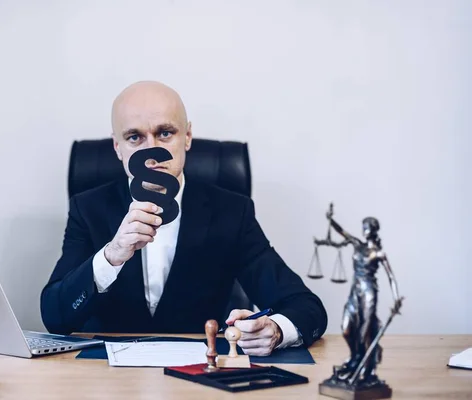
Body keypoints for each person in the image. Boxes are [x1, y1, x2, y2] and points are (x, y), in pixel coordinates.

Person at [40, 81, 327, 356]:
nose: (151, 152)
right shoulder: (87, 208)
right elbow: (55, 317)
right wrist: (111, 255)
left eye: (165, 133)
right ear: (118, 147)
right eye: (134, 137)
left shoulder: (231, 211)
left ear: (187, 137)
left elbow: (306, 307)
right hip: (106, 378)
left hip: (199, 377)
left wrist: (276, 330)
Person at [315, 210, 402, 384]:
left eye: (366, 227)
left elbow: (391, 277)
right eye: (363, 227)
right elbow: (343, 232)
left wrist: (396, 299)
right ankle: (355, 357)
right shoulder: (358, 245)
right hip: (355, 291)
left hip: (369, 292)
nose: (363, 230)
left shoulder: (378, 253)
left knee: (365, 332)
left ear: (373, 229)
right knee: (347, 328)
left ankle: (365, 366)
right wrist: (331, 220)